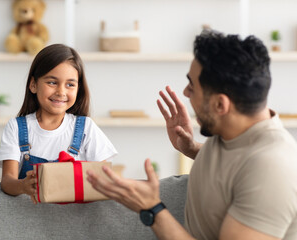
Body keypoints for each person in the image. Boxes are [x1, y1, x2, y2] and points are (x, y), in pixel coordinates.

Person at [86, 31, 297, 240]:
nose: (186, 93)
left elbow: (252, 168)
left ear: (220, 105)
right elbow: (238, 166)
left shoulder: (272, 168)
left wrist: (151, 208)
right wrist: (191, 147)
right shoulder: (234, 132)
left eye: (192, 86)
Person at [0, 44, 117, 204]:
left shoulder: (86, 127)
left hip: (74, 222)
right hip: (28, 220)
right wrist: (23, 186)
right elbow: (7, 182)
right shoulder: (16, 127)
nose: (61, 92)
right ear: (33, 84)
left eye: (70, 84)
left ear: (78, 89)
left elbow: (104, 179)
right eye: (52, 82)